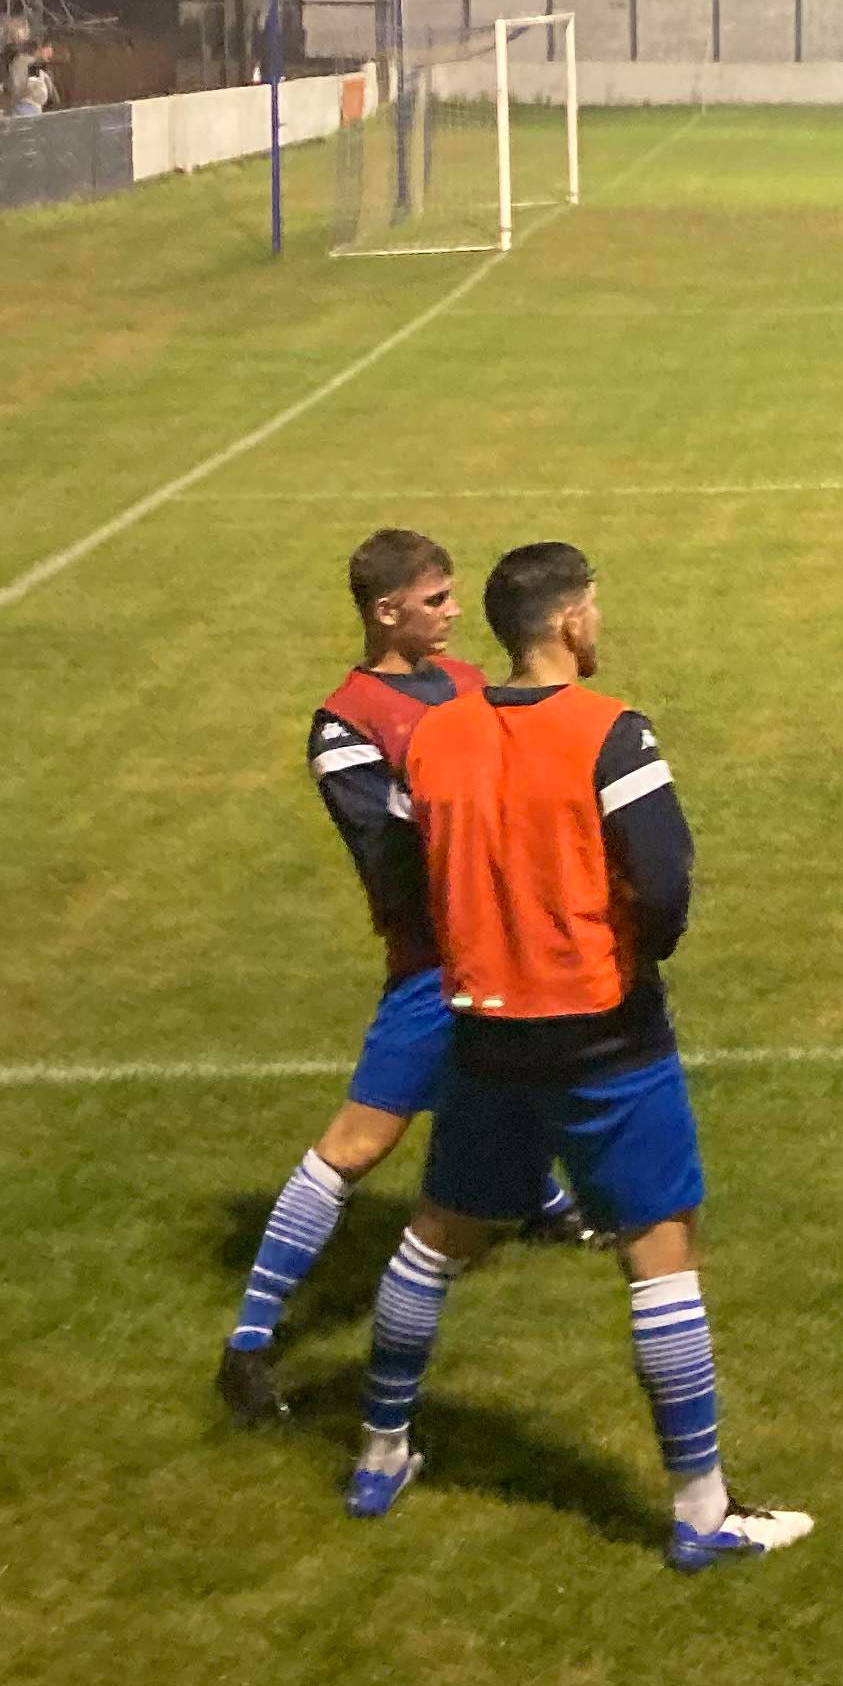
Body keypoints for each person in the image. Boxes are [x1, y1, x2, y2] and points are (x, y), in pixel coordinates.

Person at [347, 539, 808, 1572]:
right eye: (592, 608)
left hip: (483, 1029)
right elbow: (666, 877)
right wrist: (637, 950)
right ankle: (700, 1513)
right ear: (566, 621)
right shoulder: (611, 732)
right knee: (659, 1248)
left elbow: (401, 875)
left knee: (436, 1237)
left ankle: (379, 1453)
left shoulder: (435, 736)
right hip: (605, 1032)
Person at [217, 531, 591, 1428]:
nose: (455, 612)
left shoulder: (464, 682)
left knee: (528, 1067)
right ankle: (249, 1344)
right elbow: (393, 858)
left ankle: (539, 1202)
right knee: (357, 1146)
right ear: (388, 613)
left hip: (500, 940)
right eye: (435, 601)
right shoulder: (346, 725)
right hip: (437, 959)